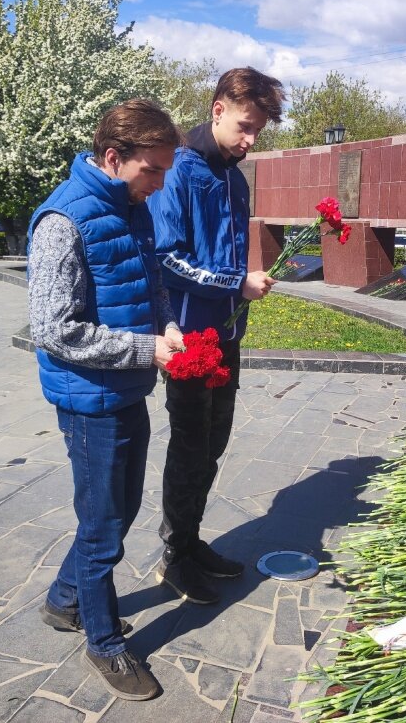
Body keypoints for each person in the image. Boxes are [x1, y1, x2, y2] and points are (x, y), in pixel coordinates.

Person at [26, 99, 183, 701]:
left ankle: (64, 599)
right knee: (102, 528)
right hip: (89, 402)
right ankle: (104, 643)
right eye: (152, 169)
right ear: (114, 157)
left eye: (165, 170)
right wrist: (147, 350)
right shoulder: (62, 220)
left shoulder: (131, 205)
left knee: (117, 512)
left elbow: (152, 282)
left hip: (126, 388)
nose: (160, 183)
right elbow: (54, 329)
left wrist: (167, 325)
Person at [149, 67, 285, 604]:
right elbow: (166, 259)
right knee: (190, 445)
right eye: (245, 127)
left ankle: (189, 540)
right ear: (218, 110)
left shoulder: (234, 178)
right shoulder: (179, 170)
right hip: (188, 338)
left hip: (226, 335)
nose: (251, 141)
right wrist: (236, 282)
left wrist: (241, 287)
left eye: (259, 131)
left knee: (214, 443)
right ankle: (174, 556)